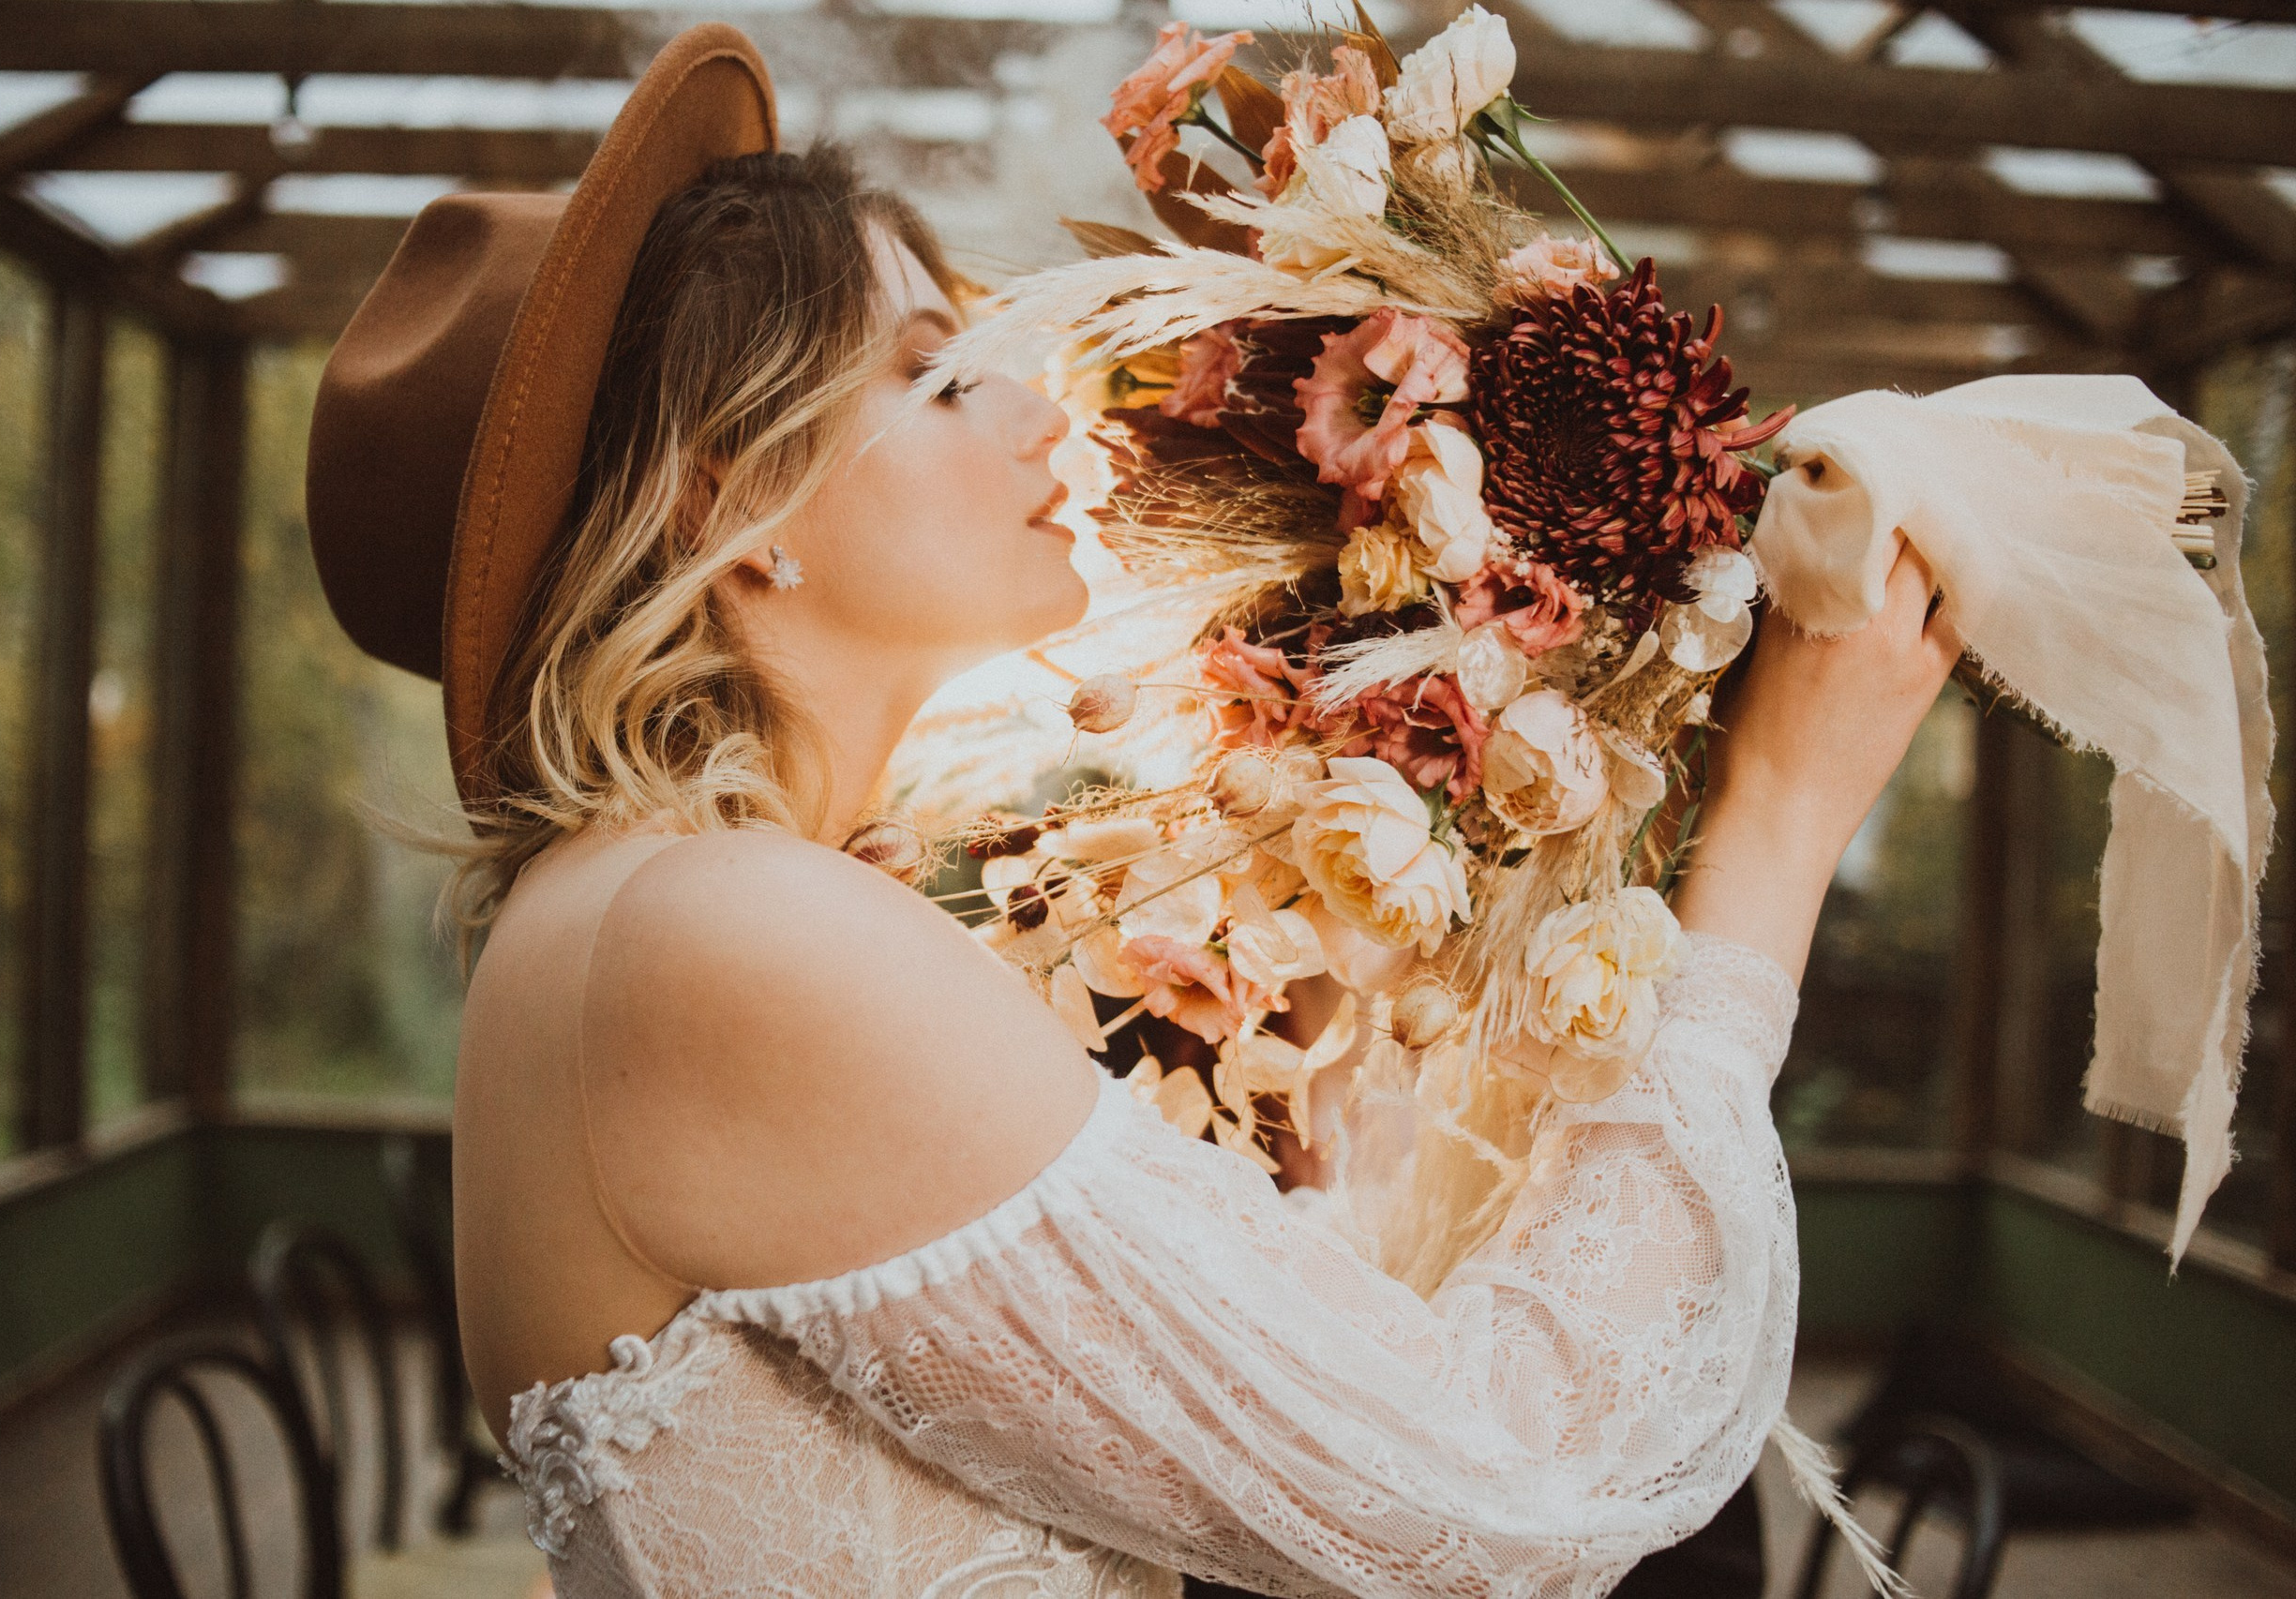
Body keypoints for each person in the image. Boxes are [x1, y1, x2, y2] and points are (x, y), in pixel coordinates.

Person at [308, 25, 1960, 1598]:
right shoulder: (717, 931)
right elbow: (1497, 1493)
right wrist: (1783, 821)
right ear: (733, 500)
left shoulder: (645, 920)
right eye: (938, 373)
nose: (1035, 403)